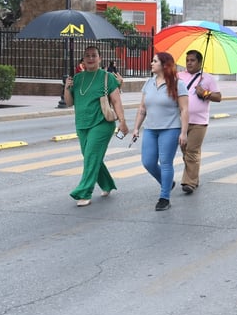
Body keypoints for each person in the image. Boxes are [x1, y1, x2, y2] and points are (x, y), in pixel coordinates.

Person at [64, 46, 129, 206]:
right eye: (87, 56)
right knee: (90, 157)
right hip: (82, 124)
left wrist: (122, 121)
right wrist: (67, 86)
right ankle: (107, 184)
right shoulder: (77, 79)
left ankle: (84, 192)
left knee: (92, 156)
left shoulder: (107, 77)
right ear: (83, 60)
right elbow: (69, 102)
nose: (90, 58)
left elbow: (116, 101)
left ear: (100, 58)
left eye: (94, 55)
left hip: (102, 124)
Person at [132, 52, 189, 211]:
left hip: (170, 129)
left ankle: (164, 197)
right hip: (150, 129)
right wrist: (136, 128)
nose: (151, 63)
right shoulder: (148, 83)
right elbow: (142, 108)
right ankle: (168, 183)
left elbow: (184, 110)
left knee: (165, 163)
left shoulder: (178, 84)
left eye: (155, 61)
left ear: (164, 65)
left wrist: (183, 132)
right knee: (148, 162)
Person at [178, 50, 222, 195]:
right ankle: (193, 178)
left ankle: (189, 182)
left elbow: (218, 97)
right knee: (185, 150)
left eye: (192, 60)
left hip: (199, 122)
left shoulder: (207, 78)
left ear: (200, 62)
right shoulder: (179, 76)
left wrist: (204, 93)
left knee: (191, 151)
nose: (189, 63)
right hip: (181, 120)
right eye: (187, 60)